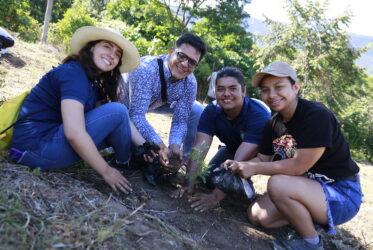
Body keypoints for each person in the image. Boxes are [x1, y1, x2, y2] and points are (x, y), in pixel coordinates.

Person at [223, 62, 363, 249]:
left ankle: (311, 243)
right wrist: (239, 165)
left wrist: (254, 168)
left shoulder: (316, 115)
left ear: (295, 87)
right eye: (265, 90)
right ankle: (308, 221)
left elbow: (298, 166)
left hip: (341, 193)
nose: (271, 95)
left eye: (279, 87)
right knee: (257, 216)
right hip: (307, 188)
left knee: (278, 183)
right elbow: (263, 159)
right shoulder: (273, 124)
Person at [10, 26, 147, 194]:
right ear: (91, 47)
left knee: (118, 113)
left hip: (44, 144)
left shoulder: (91, 81)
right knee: (117, 110)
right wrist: (106, 171)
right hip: (35, 149)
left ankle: (127, 161)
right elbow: (74, 132)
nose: (112, 55)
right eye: (107, 46)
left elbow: (120, 119)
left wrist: (146, 147)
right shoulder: (74, 73)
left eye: (118, 53)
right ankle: (123, 163)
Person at [171, 67, 271, 212]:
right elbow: (199, 149)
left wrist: (214, 198)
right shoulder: (212, 111)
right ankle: (232, 182)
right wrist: (189, 184)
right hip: (231, 150)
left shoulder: (258, 114)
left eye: (232, 88)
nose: (226, 94)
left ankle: (245, 186)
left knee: (228, 180)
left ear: (243, 91)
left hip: (261, 158)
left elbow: (240, 160)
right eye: (221, 89)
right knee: (211, 178)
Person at [119, 33, 206, 168]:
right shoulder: (147, 69)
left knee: (197, 110)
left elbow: (180, 121)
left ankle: (185, 162)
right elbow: (136, 115)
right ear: (171, 51)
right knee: (133, 154)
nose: (184, 64)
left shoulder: (190, 83)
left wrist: (174, 145)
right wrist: (159, 145)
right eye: (181, 56)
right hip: (124, 103)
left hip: (154, 103)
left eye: (192, 62)